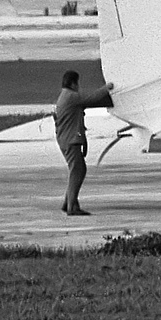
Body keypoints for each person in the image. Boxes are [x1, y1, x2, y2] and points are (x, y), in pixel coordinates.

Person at [54, 70, 113, 216]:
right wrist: (108, 87)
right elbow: (92, 98)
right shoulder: (71, 96)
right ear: (73, 83)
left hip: (67, 139)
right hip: (70, 140)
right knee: (78, 170)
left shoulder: (65, 96)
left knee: (77, 170)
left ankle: (68, 202)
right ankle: (71, 207)